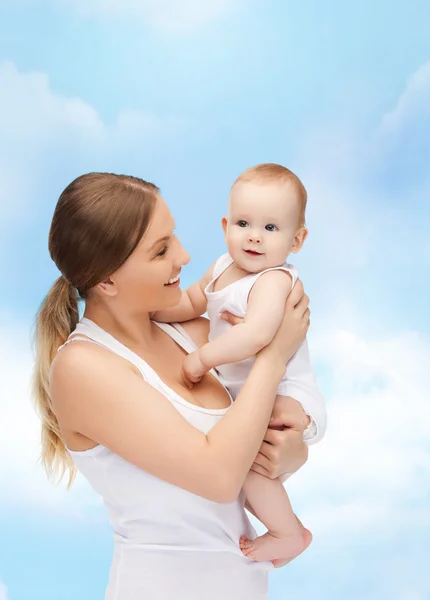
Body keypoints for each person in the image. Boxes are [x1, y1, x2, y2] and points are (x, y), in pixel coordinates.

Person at [32, 172, 323, 600]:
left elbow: (249, 439)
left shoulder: (193, 331)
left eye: (175, 238)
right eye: (162, 249)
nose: (184, 256)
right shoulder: (83, 366)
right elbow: (219, 476)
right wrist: (273, 355)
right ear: (107, 280)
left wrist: (291, 451)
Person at [152, 163, 325, 563]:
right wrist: (155, 310)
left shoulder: (273, 280)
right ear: (226, 224)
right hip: (252, 391)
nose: (254, 236)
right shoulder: (220, 269)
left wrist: (203, 358)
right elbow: (193, 302)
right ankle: (282, 525)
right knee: (242, 462)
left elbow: (257, 336)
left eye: (271, 228)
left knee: (246, 461)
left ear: (297, 239)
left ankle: (288, 532)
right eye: (244, 223)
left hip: (287, 393)